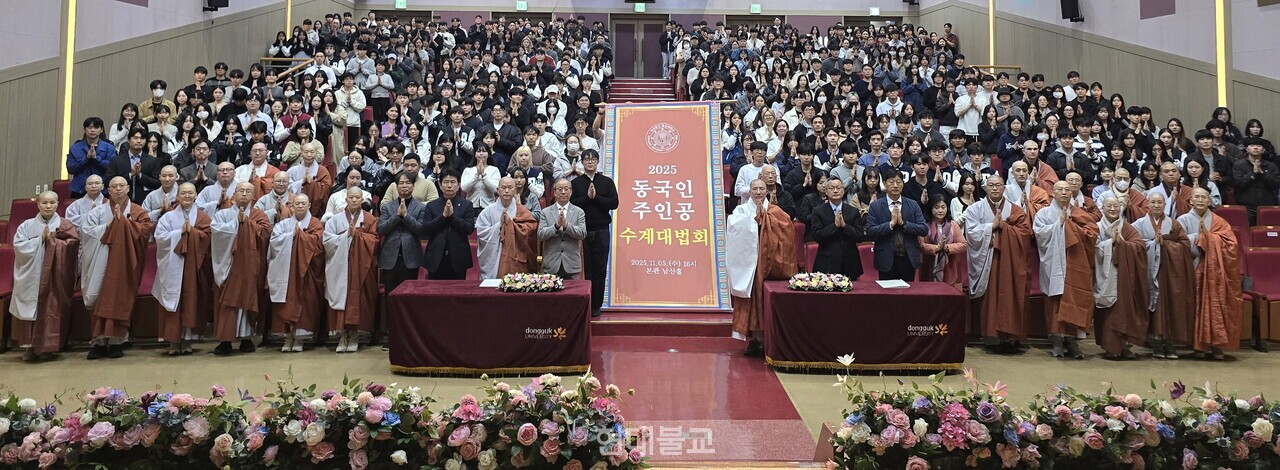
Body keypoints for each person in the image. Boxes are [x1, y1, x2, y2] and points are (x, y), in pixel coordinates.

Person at [80, 176, 154, 360]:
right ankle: (98, 343)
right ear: (108, 190)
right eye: (114, 186)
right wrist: (110, 225)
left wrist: (124, 225)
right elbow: (86, 232)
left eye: (122, 185)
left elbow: (145, 231)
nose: (118, 189)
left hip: (125, 262)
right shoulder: (97, 212)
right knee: (98, 297)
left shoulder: (137, 211)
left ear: (128, 188)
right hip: (100, 261)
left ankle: (117, 342)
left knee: (119, 297)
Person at [727, 179, 797, 356]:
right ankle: (754, 339)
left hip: (769, 262)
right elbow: (734, 228)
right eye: (755, 189)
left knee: (765, 296)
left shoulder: (776, 211)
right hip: (749, 264)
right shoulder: (741, 211)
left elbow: (786, 228)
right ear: (749, 191)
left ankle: (769, 339)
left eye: (761, 189)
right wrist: (755, 221)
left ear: (767, 192)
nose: (758, 192)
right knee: (750, 298)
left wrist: (767, 220)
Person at [964, 174, 1033, 353]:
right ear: (985, 188)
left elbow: (1025, 233)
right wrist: (991, 227)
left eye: (998, 185)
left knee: (1010, 296)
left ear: (1004, 188)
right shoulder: (975, 209)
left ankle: (1010, 337)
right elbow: (970, 233)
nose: (995, 188)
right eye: (991, 185)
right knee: (991, 298)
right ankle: (992, 338)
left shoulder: (1015, 210)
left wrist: (1004, 227)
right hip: (988, 259)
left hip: (1010, 261)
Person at [9, 192, 79, 362]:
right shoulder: (26, 226)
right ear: (38, 204)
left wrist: (54, 241)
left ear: (57, 204)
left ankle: (48, 347)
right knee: (30, 310)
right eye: (45, 202)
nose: (48, 206)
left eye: (52, 202)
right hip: (31, 274)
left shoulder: (65, 225)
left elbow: (73, 245)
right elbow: (18, 247)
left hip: (54, 276)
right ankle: (30, 347)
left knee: (51, 309)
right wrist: (39, 240)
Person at [1034, 180, 1099, 359]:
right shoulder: (1043, 213)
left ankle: (1072, 341)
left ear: (1072, 193)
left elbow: (1092, 233)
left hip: (1075, 263)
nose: (1063, 192)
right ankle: (1056, 340)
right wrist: (1059, 225)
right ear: (1053, 193)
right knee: (1054, 301)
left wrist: (1072, 226)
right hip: (1053, 262)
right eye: (1060, 189)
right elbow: (1039, 234)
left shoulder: (1079, 213)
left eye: (1067, 190)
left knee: (1073, 299)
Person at [1176, 188, 1243, 360]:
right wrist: (1198, 237)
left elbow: (1231, 245)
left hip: (1214, 273)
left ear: (1209, 201)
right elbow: (1177, 245)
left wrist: (1209, 238)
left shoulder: (1219, 221)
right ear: (1190, 200)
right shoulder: (1182, 220)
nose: (1200, 200)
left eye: (1203, 197)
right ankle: (1198, 346)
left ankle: (1216, 345)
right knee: (1197, 308)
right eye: (1196, 197)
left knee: (1215, 306)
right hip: (1192, 268)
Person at [209, 183, 272, 354]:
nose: (244, 194)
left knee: (246, 298)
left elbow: (265, 233)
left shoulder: (259, 215)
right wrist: (236, 223)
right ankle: (225, 340)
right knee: (227, 302)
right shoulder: (222, 214)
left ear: (253, 195)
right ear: (234, 194)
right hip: (228, 264)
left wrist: (248, 224)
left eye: (248, 191)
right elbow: (216, 232)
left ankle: (246, 338)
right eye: (241, 191)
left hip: (249, 265)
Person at [1133, 192, 1196, 360]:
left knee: (1169, 304)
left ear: (1164, 204)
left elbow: (1184, 245)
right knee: (1153, 306)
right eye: (1153, 202)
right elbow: (1133, 245)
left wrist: (1165, 245)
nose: (1156, 205)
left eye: (1160, 202)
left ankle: (1169, 342)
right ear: (1147, 204)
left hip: (1169, 273)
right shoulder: (1139, 224)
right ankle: (1156, 343)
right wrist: (1152, 244)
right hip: (1148, 272)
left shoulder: (1173, 224)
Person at [152, 183, 212, 356]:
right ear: (177, 196)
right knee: (174, 301)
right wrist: (180, 233)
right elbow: (160, 238)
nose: (187, 196)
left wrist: (193, 233)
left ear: (196, 195)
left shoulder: (202, 217)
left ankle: (186, 340)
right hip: (172, 265)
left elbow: (208, 237)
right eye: (183, 193)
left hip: (193, 267)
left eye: (190, 193)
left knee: (190, 301)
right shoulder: (168, 217)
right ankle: (173, 341)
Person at [1092, 196, 1149, 360]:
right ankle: (1111, 347)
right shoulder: (1096, 227)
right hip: (1103, 274)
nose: (1112, 209)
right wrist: (1111, 242)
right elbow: (1092, 249)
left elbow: (1139, 247)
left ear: (1121, 208)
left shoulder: (1128, 228)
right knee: (1107, 312)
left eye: (1116, 206)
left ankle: (1124, 346)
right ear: (1102, 208)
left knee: (1124, 309)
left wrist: (1122, 244)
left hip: (1124, 276)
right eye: (1109, 206)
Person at [323, 187, 379, 353]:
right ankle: (342, 335)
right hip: (339, 265)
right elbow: (327, 241)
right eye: (351, 197)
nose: (354, 200)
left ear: (362, 199)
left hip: (362, 266)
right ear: (346, 199)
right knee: (341, 296)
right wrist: (345, 236)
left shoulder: (369, 219)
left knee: (359, 298)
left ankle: (355, 335)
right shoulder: (335, 219)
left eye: (357, 197)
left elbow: (375, 241)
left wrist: (358, 235)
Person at [267, 194, 325, 352]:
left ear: (309, 205)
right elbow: (273, 242)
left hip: (306, 271)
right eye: (297, 203)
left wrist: (300, 236)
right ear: (292, 206)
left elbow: (319, 244)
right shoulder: (284, 224)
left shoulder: (315, 223)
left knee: (305, 302)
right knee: (285, 301)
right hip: (285, 269)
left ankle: (300, 339)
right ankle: (288, 337)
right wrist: (291, 236)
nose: (300, 206)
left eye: (303, 203)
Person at [570, 150, 619, 316]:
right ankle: (584, 303)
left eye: (593, 159)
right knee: (585, 268)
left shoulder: (606, 182)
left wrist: (596, 197)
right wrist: (587, 197)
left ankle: (596, 305)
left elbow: (614, 203)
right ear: (582, 162)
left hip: (601, 230)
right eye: (586, 159)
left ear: (598, 162)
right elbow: (572, 203)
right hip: (582, 231)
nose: (590, 162)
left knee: (600, 268)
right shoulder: (576, 183)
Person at [865, 170, 929, 281]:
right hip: (885, 259)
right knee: (886, 290)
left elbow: (924, 229)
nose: (895, 185)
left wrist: (904, 224)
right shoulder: (876, 206)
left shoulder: (913, 204)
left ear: (903, 184)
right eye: (891, 182)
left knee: (909, 291)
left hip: (908, 258)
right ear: (884, 184)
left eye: (898, 182)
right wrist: (890, 224)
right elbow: (870, 230)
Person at [475, 176, 539, 279]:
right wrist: (499, 226)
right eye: (503, 187)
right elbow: (481, 232)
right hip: (494, 257)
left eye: (510, 187)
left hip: (515, 257)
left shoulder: (522, 210)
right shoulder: (487, 211)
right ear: (497, 190)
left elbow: (531, 228)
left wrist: (511, 226)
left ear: (515, 190)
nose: (507, 191)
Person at [421, 169, 476, 280]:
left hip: (458, 257)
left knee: (457, 290)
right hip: (435, 257)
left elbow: (469, 229)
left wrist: (452, 216)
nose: (449, 185)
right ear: (440, 185)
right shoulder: (431, 205)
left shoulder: (467, 205)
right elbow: (425, 229)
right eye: (446, 182)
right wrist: (443, 217)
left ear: (458, 185)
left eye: (453, 182)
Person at [808, 178, 864, 279]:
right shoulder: (818, 211)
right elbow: (817, 236)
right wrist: (834, 226)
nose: (835, 191)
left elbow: (860, 237)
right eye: (831, 188)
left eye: (838, 188)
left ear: (843, 190)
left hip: (850, 264)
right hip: (826, 262)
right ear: (826, 192)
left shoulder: (853, 211)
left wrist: (845, 226)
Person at [538, 178, 587, 279]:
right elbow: (541, 235)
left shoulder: (579, 212)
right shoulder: (545, 212)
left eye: (566, 189)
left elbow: (582, 233)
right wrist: (555, 227)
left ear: (571, 192)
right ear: (554, 192)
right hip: (551, 265)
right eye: (560, 189)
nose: (563, 192)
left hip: (572, 265)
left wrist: (567, 226)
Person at [919, 193, 967, 290]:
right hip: (929, 266)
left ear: (947, 208)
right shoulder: (924, 225)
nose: (940, 210)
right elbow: (921, 245)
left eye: (943, 207)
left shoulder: (953, 225)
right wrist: (936, 248)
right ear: (930, 208)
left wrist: (947, 247)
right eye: (936, 207)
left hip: (950, 266)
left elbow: (964, 245)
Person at [1230, 137, 1280, 226]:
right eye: (1252, 145)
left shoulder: (1271, 166)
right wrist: (1253, 173)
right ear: (1247, 149)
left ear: (1263, 150)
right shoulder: (1238, 165)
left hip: (1267, 206)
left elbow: (1276, 185)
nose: (1256, 148)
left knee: (1267, 231)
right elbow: (1239, 184)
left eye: (1259, 145)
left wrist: (1263, 174)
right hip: (1247, 207)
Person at [66, 117, 118, 199]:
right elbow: (70, 169)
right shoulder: (75, 148)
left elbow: (112, 168)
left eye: (96, 127)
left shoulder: (109, 148)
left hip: (102, 190)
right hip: (79, 190)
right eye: (90, 127)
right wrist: (86, 158)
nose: (93, 130)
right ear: (84, 129)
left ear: (101, 130)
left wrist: (96, 158)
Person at [107, 128, 161, 204]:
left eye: (142, 138)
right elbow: (110, 181)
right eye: (135, 138)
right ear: (129, 140)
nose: (139, 141)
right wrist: (130, 174)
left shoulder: (152, 161)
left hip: (145, 201)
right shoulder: (116, 160)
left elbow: (157, 183)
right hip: (121, 201)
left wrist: (140, 175)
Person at [287, 142, 333, 218]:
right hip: (295, 207)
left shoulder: (322, 170)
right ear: (301, 153)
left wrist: (312, 184)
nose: (309, 155)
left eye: (312, 152)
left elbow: (326, 188)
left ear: (316, 153)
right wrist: (302, 182)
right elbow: (286, 188)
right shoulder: (292, 170)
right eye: (306, 152)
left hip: (315, 209)